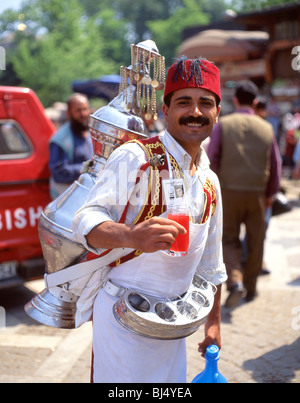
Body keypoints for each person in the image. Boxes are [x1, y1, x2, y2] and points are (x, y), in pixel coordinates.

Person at [72, 56, 227, 383]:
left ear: (217, 112)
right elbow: (85, 221)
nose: (195, 112)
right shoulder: (135, 158)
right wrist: (131, 236)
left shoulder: (210, 181)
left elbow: (211, 263)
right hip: (122, 321)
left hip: (172, 324)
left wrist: (213, 322)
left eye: (205, 103)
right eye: (184, 102)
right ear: (165, 110)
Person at [208, 80, 281, 309]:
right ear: (256, 102)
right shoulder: (266, 128)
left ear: (236, 100)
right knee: (256, 241)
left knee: (228, 239)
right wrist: (270, 194)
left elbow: (212, 159)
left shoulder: (223, 125)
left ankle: (235, 280)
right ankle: (251, 287)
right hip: (257, 194)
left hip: (228, 192)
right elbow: (275, 166)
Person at [49, 93, 93, 199]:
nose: (83, 114)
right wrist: (89, 167)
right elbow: (60, 173)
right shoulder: (60, 139)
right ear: (69, 113)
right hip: (68, 199)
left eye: (85, 109)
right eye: (78, 110)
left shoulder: (90, 132)